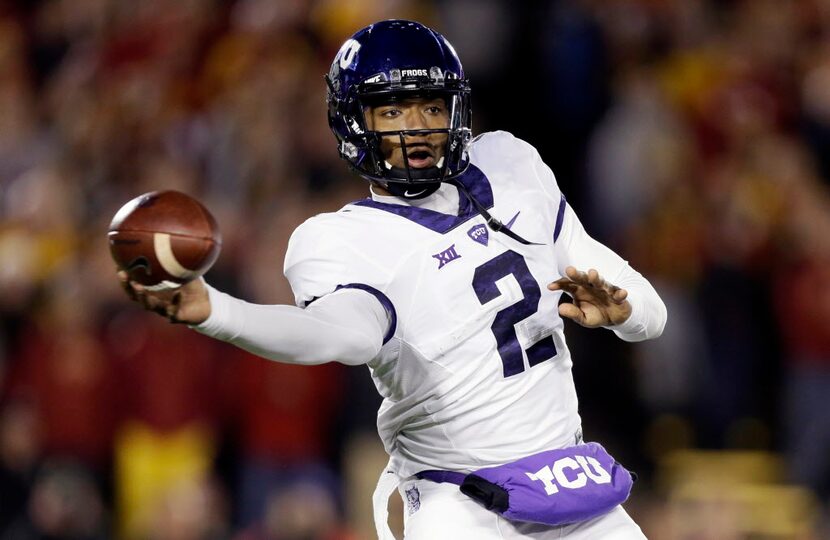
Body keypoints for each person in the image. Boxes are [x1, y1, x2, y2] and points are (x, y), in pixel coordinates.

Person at [117, 19, 666, 540]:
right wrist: (218, 310)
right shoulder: (341, 239)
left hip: (568, 483)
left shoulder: (511, 163)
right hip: (464, 508)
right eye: (394, 110)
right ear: (355, 121)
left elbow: (649, 313)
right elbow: (341, 336)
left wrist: (626, 311)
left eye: (431, 106)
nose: (418, 127)